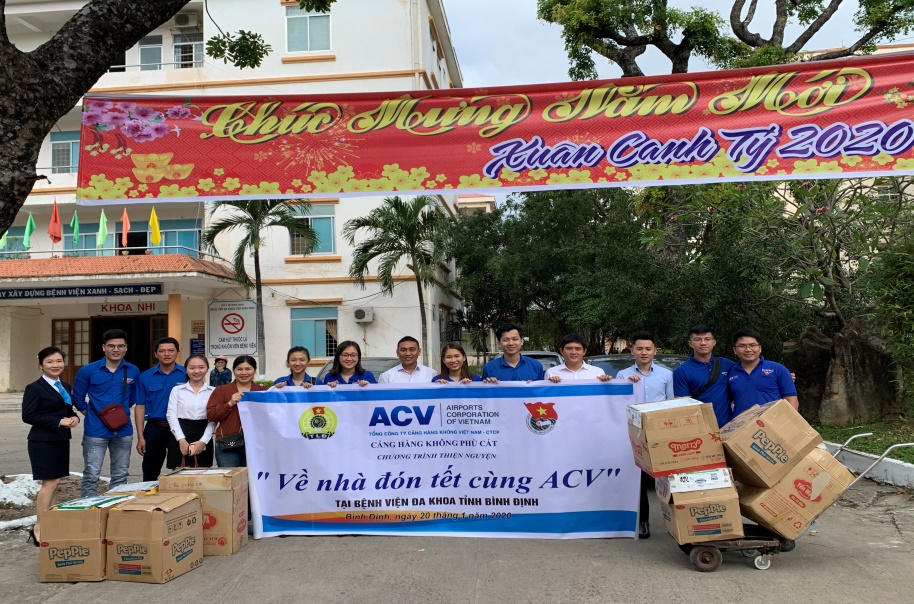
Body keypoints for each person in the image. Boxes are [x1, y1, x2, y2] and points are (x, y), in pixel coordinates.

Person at [616, 331, 674, 540]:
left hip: (660, 432)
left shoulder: (666, 374)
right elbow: (618, 404)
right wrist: (628, 385)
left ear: (655, 351)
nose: (644, 352)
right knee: (639, 481)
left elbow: (671, 404)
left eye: (648, 349)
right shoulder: (622, 375)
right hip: (635, 433)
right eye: (639, 348)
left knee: (667, 480)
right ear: (632, 350)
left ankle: (675, 523)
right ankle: (643, 522)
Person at [22, 346, 79, 545]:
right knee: (50, 483)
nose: (55, 365)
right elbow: (28, 415)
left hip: (61, 440)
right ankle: (38, 527)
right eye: (50, 362)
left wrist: (74, 418)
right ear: (41, 365)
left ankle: (51, 524)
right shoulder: (34, 388)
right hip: (42, 441)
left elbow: (67, 410)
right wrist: (58, 421)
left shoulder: (65, 386)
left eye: (58, 361)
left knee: (56, 484)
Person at [72, 328, 139, 497]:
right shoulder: (88, 370)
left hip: (123, 430)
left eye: (120, 346)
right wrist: (93, 415)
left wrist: (117, 415)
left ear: (126, 348)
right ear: (103, 347)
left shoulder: (133, 371)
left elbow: (133, 398)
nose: (116, 350)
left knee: (120, 474)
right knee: (91, 474)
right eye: (111, 346)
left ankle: (115, 506)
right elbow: (78, 398)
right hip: (95, 431)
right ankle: (88, 507)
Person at [134, 337, 186, 481]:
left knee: (182, 469)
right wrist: (140, 436)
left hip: (181, 427)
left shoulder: (187, 374)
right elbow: (140, 407)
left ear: (178, 353)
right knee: (150, 470)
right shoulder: (145, 377)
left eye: (171, 350)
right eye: (162, 351)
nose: (166, 354)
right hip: (155, 428)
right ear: (155, 354)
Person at [206, 356, 266, 468]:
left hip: (256, 445)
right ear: (233, 370)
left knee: (254, 478)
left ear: (254, 370)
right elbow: (211, 415)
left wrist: (280, 388)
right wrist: (229, 403)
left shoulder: (263, 391)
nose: (244, 373)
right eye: (239, 369)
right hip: (228, 444)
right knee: (230, 478)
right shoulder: (222, 390)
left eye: (248, 369)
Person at [672, 325, 735, 428]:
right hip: (701, 429)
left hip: (728, 427)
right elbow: (683, 406)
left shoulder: (727, 364)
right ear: (690, 343)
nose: (703, 343)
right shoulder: (681, 371)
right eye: (697, 339)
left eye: (707, 339)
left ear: (714, 342)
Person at [728, 328, 799, 418]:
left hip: (772, 423)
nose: (748, 349)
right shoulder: (730, 372)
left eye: (752, 345)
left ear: (760, 348)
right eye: (742, 346)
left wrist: (786, 422)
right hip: (741, 424)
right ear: (735, 350)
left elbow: (792, 400)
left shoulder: (778, 369)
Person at [166, 354, 216, 469]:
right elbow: (171, 415)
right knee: (178, 474)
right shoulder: (177, 390)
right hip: (180, 433)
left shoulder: (214, 391)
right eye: (192, 368)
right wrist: (181, 439)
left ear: (207, 369)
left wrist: (203, 441)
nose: (196, 371)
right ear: (186, 370)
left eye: (201, 367)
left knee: (202, 474)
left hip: (203, 433)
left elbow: (214, 419)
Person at [546, 333, 611, 382]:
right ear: (561, 351)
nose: (573, 352)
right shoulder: (551, 373)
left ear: (584, 351)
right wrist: (551, 384)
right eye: (569, 348)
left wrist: (607, 383)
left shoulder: (598, 372)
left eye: (578, 349)